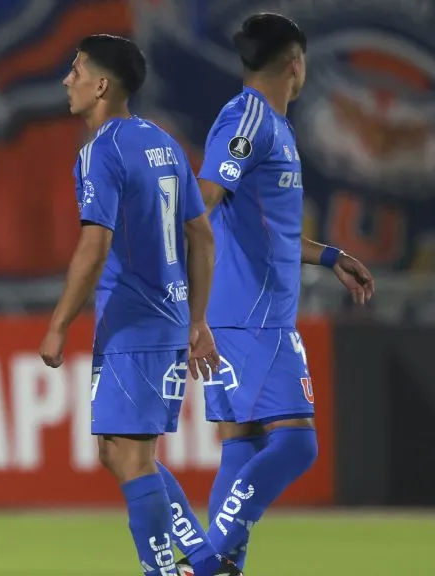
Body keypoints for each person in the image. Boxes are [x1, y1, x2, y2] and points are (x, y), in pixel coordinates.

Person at [170, 13, 375, 575]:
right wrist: (193, 313)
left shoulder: (274, 126)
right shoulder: (248, 120)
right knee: (297, 445)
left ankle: (221, 568)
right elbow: (205, 199)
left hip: (245, 315)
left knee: (244, 444)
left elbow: (270, 227)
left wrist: (331, 256)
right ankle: (205, 564)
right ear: (295, 62)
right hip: (251, 318)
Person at [39, 34, 241, 576]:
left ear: (102, 85)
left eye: (76, 70)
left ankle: (166, 569)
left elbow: (95, 242)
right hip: (165, 319)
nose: (68, 80)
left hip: (134, 322)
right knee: (119, 451)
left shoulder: (101, 150)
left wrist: (58, 324)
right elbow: (201, 235)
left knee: (128, 456)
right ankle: (202, 558)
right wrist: (196, 319)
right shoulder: (164, 142)